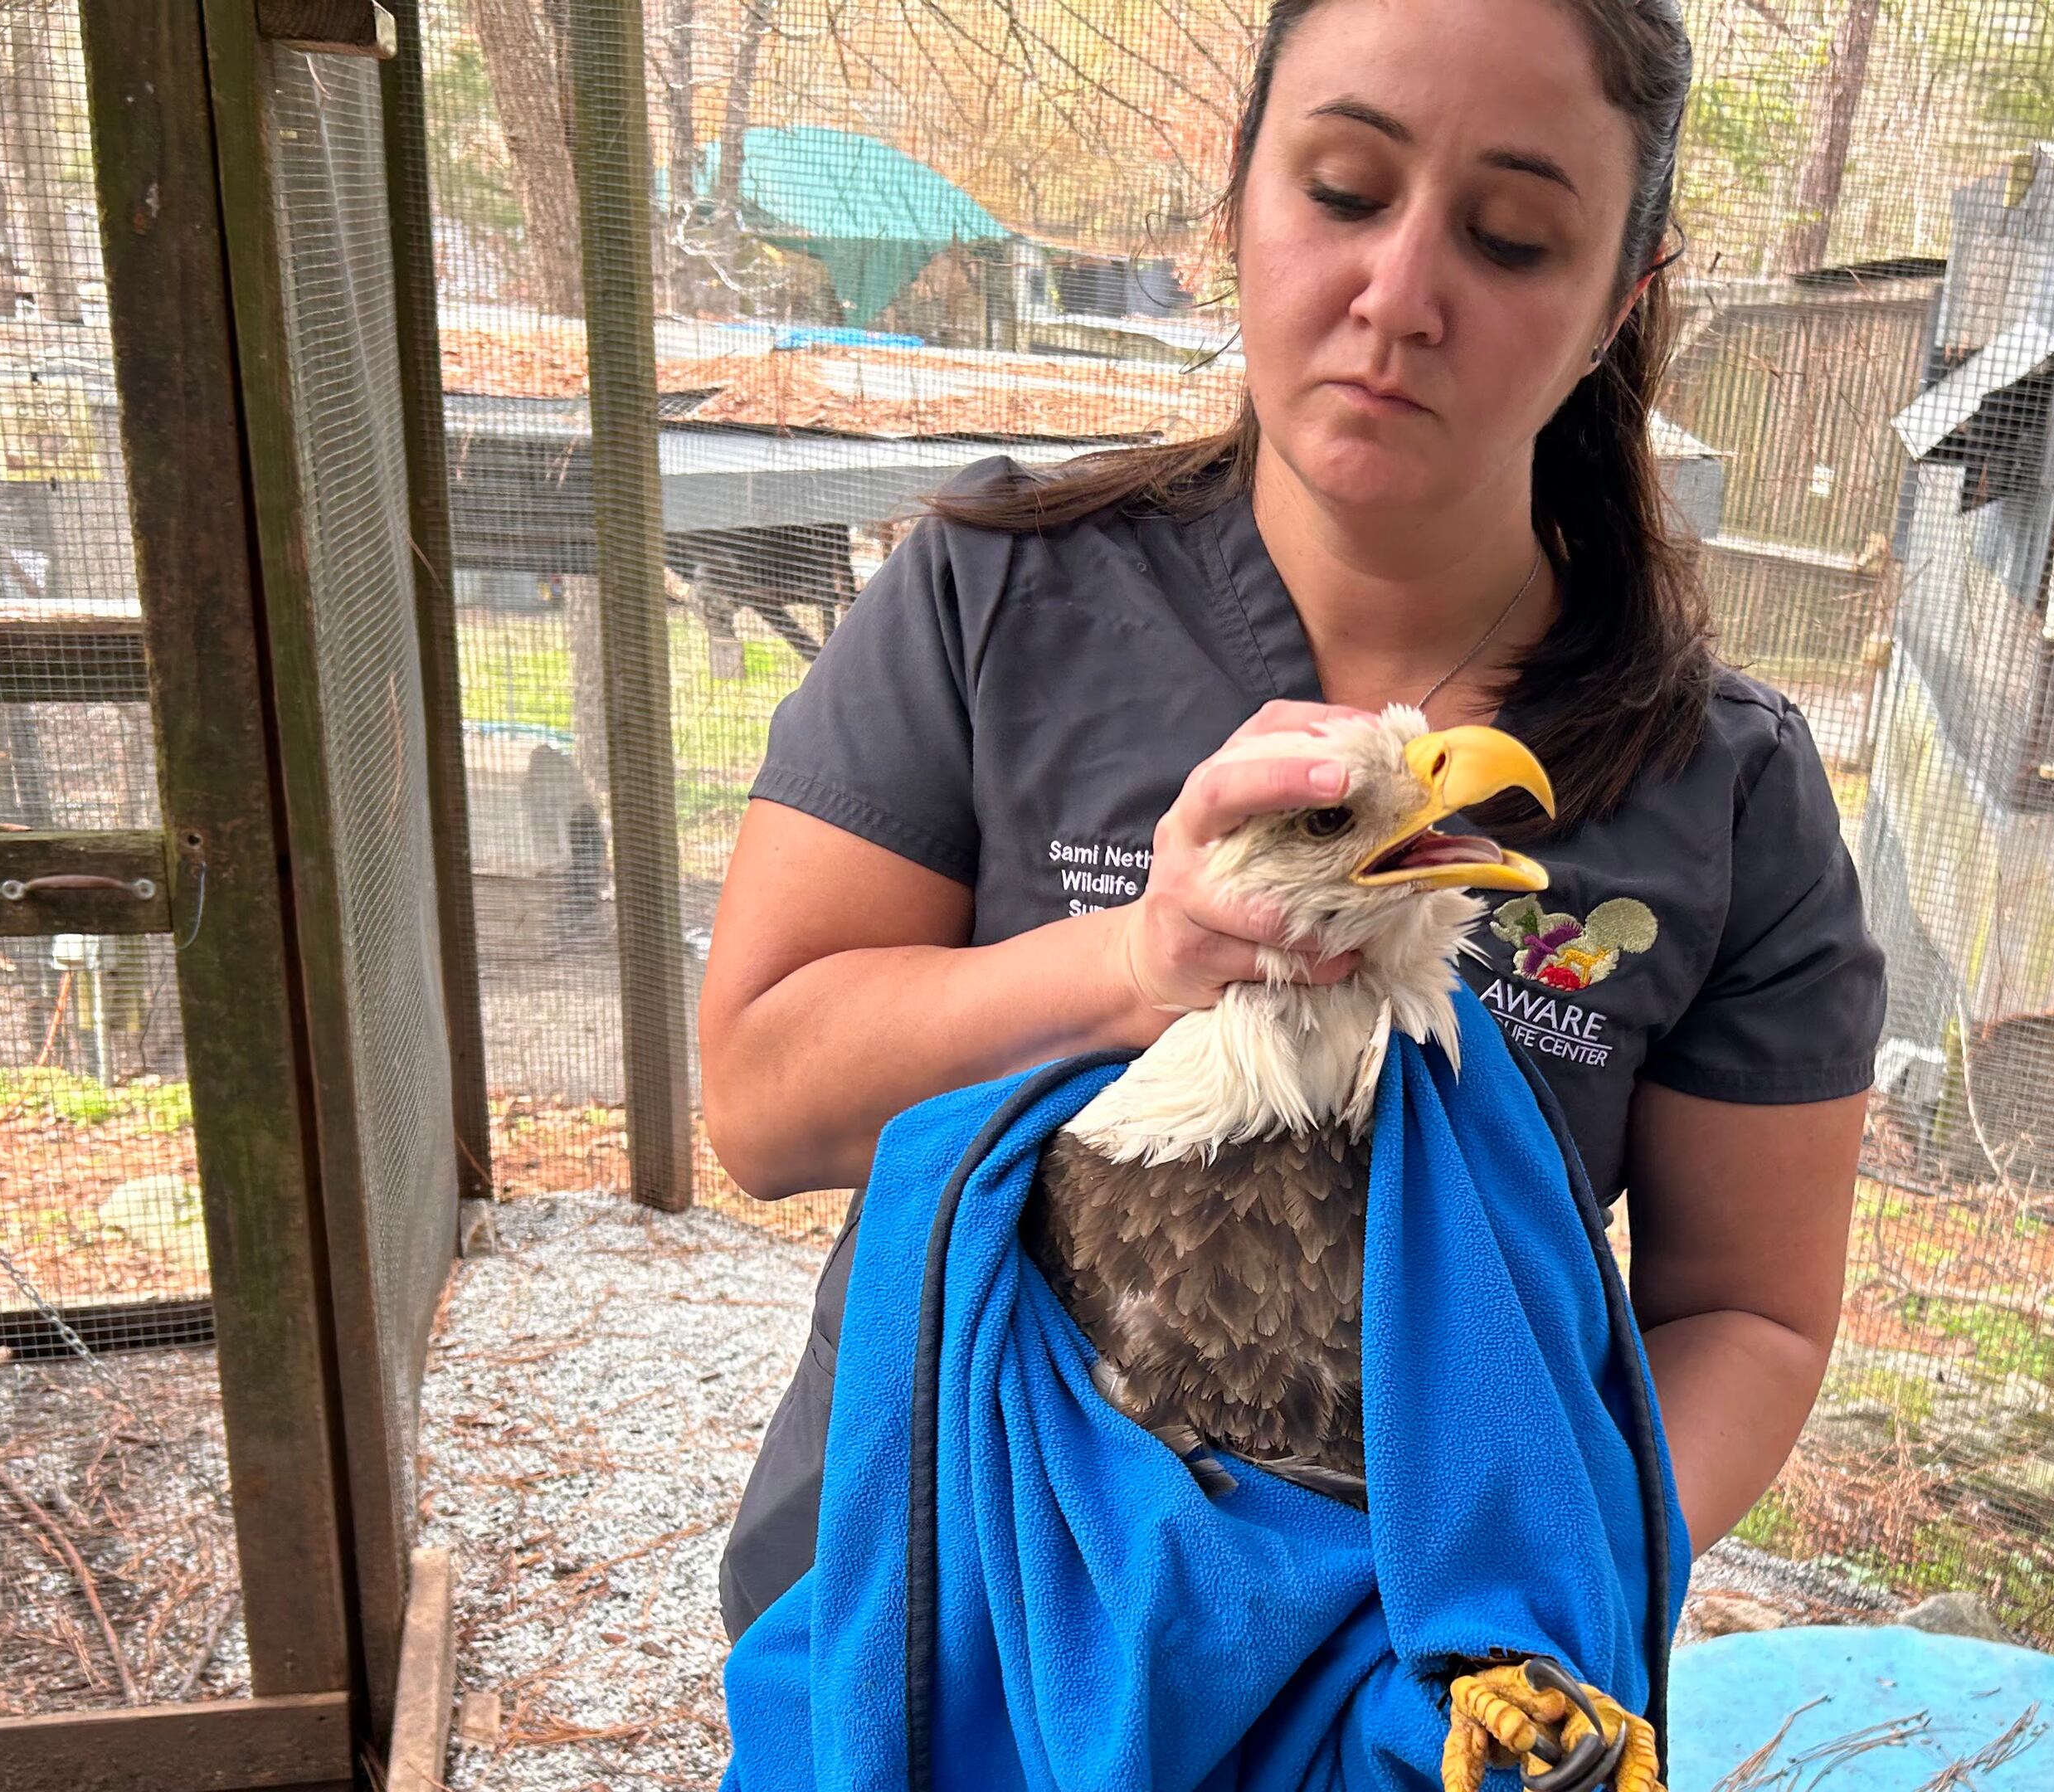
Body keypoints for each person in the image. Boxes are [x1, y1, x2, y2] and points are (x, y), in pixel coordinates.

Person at [700, 0, 1886, 1640]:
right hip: (936, 1611)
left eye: (1515, 237)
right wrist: (1141, 961)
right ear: (1236, 200)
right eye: (1342, 189)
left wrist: (1526, 1593)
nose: (1401, 297)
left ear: (1618, 300)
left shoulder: (1727, 794)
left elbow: (1747, 1312)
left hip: (1387, 1674)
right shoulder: (995, 601)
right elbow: (763, 1104)